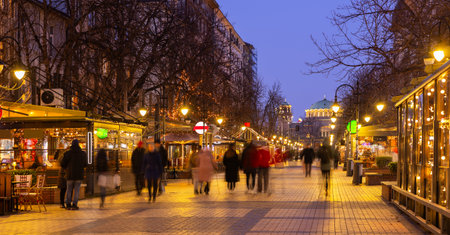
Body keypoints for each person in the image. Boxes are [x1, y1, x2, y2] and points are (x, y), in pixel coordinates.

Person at [61, 139, 87, 210]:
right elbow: (85, 164)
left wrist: (66, 168)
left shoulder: (68, 153)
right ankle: (75, 204)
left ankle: (68, 204)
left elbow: (62, 163)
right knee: (76, 190)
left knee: (69, 190)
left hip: (70, 175)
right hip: (79, 175)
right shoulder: (82, 154)